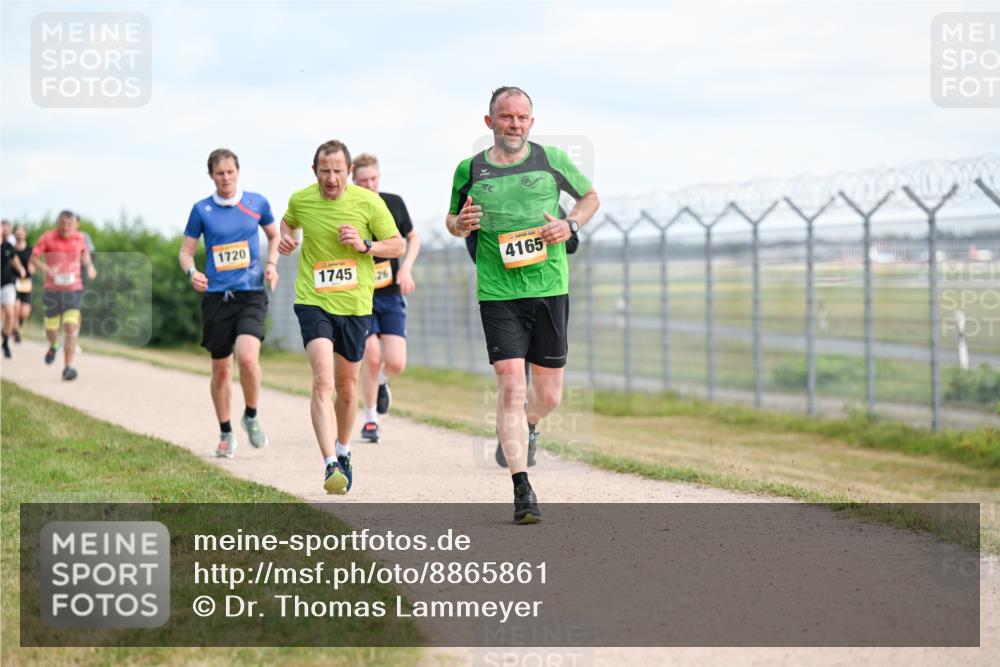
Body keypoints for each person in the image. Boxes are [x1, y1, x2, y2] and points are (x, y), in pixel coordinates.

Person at [446, 86, 600, 524]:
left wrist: (570, 224)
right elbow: (452, 219)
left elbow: (591, 198)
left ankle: (528, 425)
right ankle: (522, 488)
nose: (514, 124)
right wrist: (461, 224)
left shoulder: (551, 160)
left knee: (548, 395)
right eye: (506, 117)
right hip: (497, 291)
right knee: (511, 385)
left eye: (522, 118)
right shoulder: (469, 169)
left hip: (549, 286)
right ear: (489, 122)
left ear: (531, 122)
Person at [279, 140, 403, 495]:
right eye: (324, 171)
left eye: (337, 171)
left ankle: (344, 450)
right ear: (314, 171)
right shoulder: (301, 199)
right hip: (313, 300)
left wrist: (365, 245)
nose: (331, 178)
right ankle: (329, 462)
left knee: (348, 388)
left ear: (348, 172)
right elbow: (287, 225)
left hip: (355, 305)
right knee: (323, 381)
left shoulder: (368, 202)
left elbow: (396, 245)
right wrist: (287, 241)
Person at [179, 148, 279, 459]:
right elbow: (185, 252)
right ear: (211, 175)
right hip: (216, 298)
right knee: (221, 369)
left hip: (250, 294)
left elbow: (274, 237)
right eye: (220, 173)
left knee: (248, 359)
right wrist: (192, 272)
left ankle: (251, 414)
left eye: (230, 172)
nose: (226, 178)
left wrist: (272, 264)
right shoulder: (201, 210)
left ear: (238, 172)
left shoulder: (256, 203)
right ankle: (225, 433)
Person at [351, 153, 421, 443]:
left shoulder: (393, 202)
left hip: (391, 294)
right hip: (361, 295)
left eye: (373, 179)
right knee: (372, 356)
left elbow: (412, 238)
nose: (369, 185)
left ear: (379, 178)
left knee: (394, 363)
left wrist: (405, 269)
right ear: (353, 181)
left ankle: (381, 383)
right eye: (363, 181)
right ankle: (370, 420)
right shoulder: (349, 208)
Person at [30, 211, 96, 379]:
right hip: (52, 290)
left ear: (74, 224)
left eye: (69, 224)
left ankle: (68, 367)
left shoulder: (79, 238)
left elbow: (85, 253)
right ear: (58, 222)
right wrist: (46, 269)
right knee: (51, 329)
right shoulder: (48, 237)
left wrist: (89, 267)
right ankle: (54, 344)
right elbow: (34, 257)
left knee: (70, 326)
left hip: (74, 289)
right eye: (62, 223)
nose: (66, 227)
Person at [1, 220, 27, 358]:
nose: (4, 231)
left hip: (7, 284)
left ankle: (5, 341)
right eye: (2, 228)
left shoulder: (8, 246)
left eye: (6, 229)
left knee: (10, 313)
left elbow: (14, 259)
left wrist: (20, 268)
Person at [12, 224, 34, 344]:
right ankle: (15, 332)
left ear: (25, 234)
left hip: (26, 283)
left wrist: (32, 268)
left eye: (21, 233)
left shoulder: (30, 249)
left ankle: (18, 324)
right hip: (13, 281)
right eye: (17, 233)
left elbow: (34, 263)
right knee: (15, 308)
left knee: (24, 312)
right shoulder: (11, 249)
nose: (19, 235)